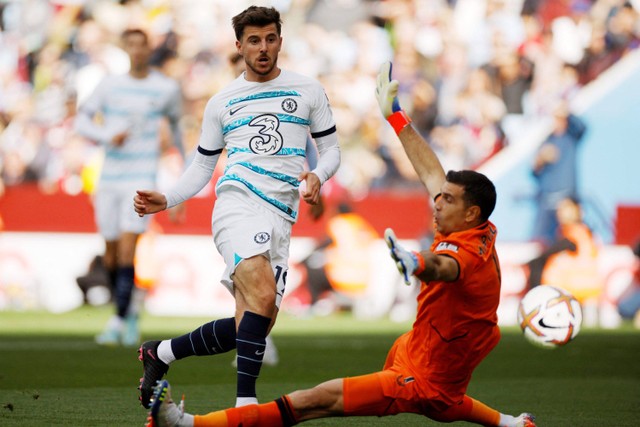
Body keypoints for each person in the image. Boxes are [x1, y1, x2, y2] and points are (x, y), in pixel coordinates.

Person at [143, 62, 535, 427]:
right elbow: (432, 171)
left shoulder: (461, 252)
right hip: (424, 359)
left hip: (417, 376)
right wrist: (395, 117)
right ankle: (163, 359)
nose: (437, 201)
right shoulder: (477, 228)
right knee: (445, 399)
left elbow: (442, 267)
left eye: (447, 199)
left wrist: (414, 261)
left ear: (471, 212)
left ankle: (188, 423)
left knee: (311, 401)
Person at [133, 6, 340, 410]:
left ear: (280, 40)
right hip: (237, 204)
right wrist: (169, 197)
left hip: (283, 213)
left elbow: (331, 150)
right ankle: (247, 405)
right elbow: (204, 164)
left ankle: (161, 354)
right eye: (254, 40)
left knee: (254, 323)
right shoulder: (222, 101)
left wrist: (319, 175)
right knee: (261, 297)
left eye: (270, 38)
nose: (263, 48)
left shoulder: (309, 90)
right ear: (239, 46)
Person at [74, 28, 184, 347]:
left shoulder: (164, 88)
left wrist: (180, 189)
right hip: (109, 178)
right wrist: (108, 134)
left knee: (127, 248)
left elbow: (178, 134)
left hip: (141, 179)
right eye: (131, 45)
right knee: (110, 255)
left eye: (142, 44)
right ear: (125, 48)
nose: (137, 50)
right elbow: (82, 119)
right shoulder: (110, 85)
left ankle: (118, 319)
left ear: (149, 48)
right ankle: (129, 309)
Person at [531, 102, 586, 247]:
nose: (558, 122)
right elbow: (534, 173)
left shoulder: (570, 137)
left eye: (560, 118)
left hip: (566, 195)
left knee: (571, 234)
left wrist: (567, 111)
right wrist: (540, 160)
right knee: (542, 239)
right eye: (556, 118)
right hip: (547, 196)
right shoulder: (546, 141)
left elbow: (582, 127)